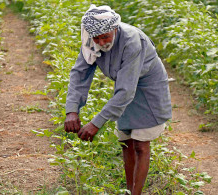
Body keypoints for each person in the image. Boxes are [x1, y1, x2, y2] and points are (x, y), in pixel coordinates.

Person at [64, 5, 172, 195]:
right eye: (97, 38)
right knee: (126, 141)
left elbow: (126, 91)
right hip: (125, 85)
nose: (101, 42)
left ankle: (135, 193)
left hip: (148, 87)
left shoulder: (131, 41)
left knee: (140, 143)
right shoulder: (91, 40)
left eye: (105, 36)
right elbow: (79, 74)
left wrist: (95, 123)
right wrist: (72, 110)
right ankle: (130, 190)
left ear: (115, 28)